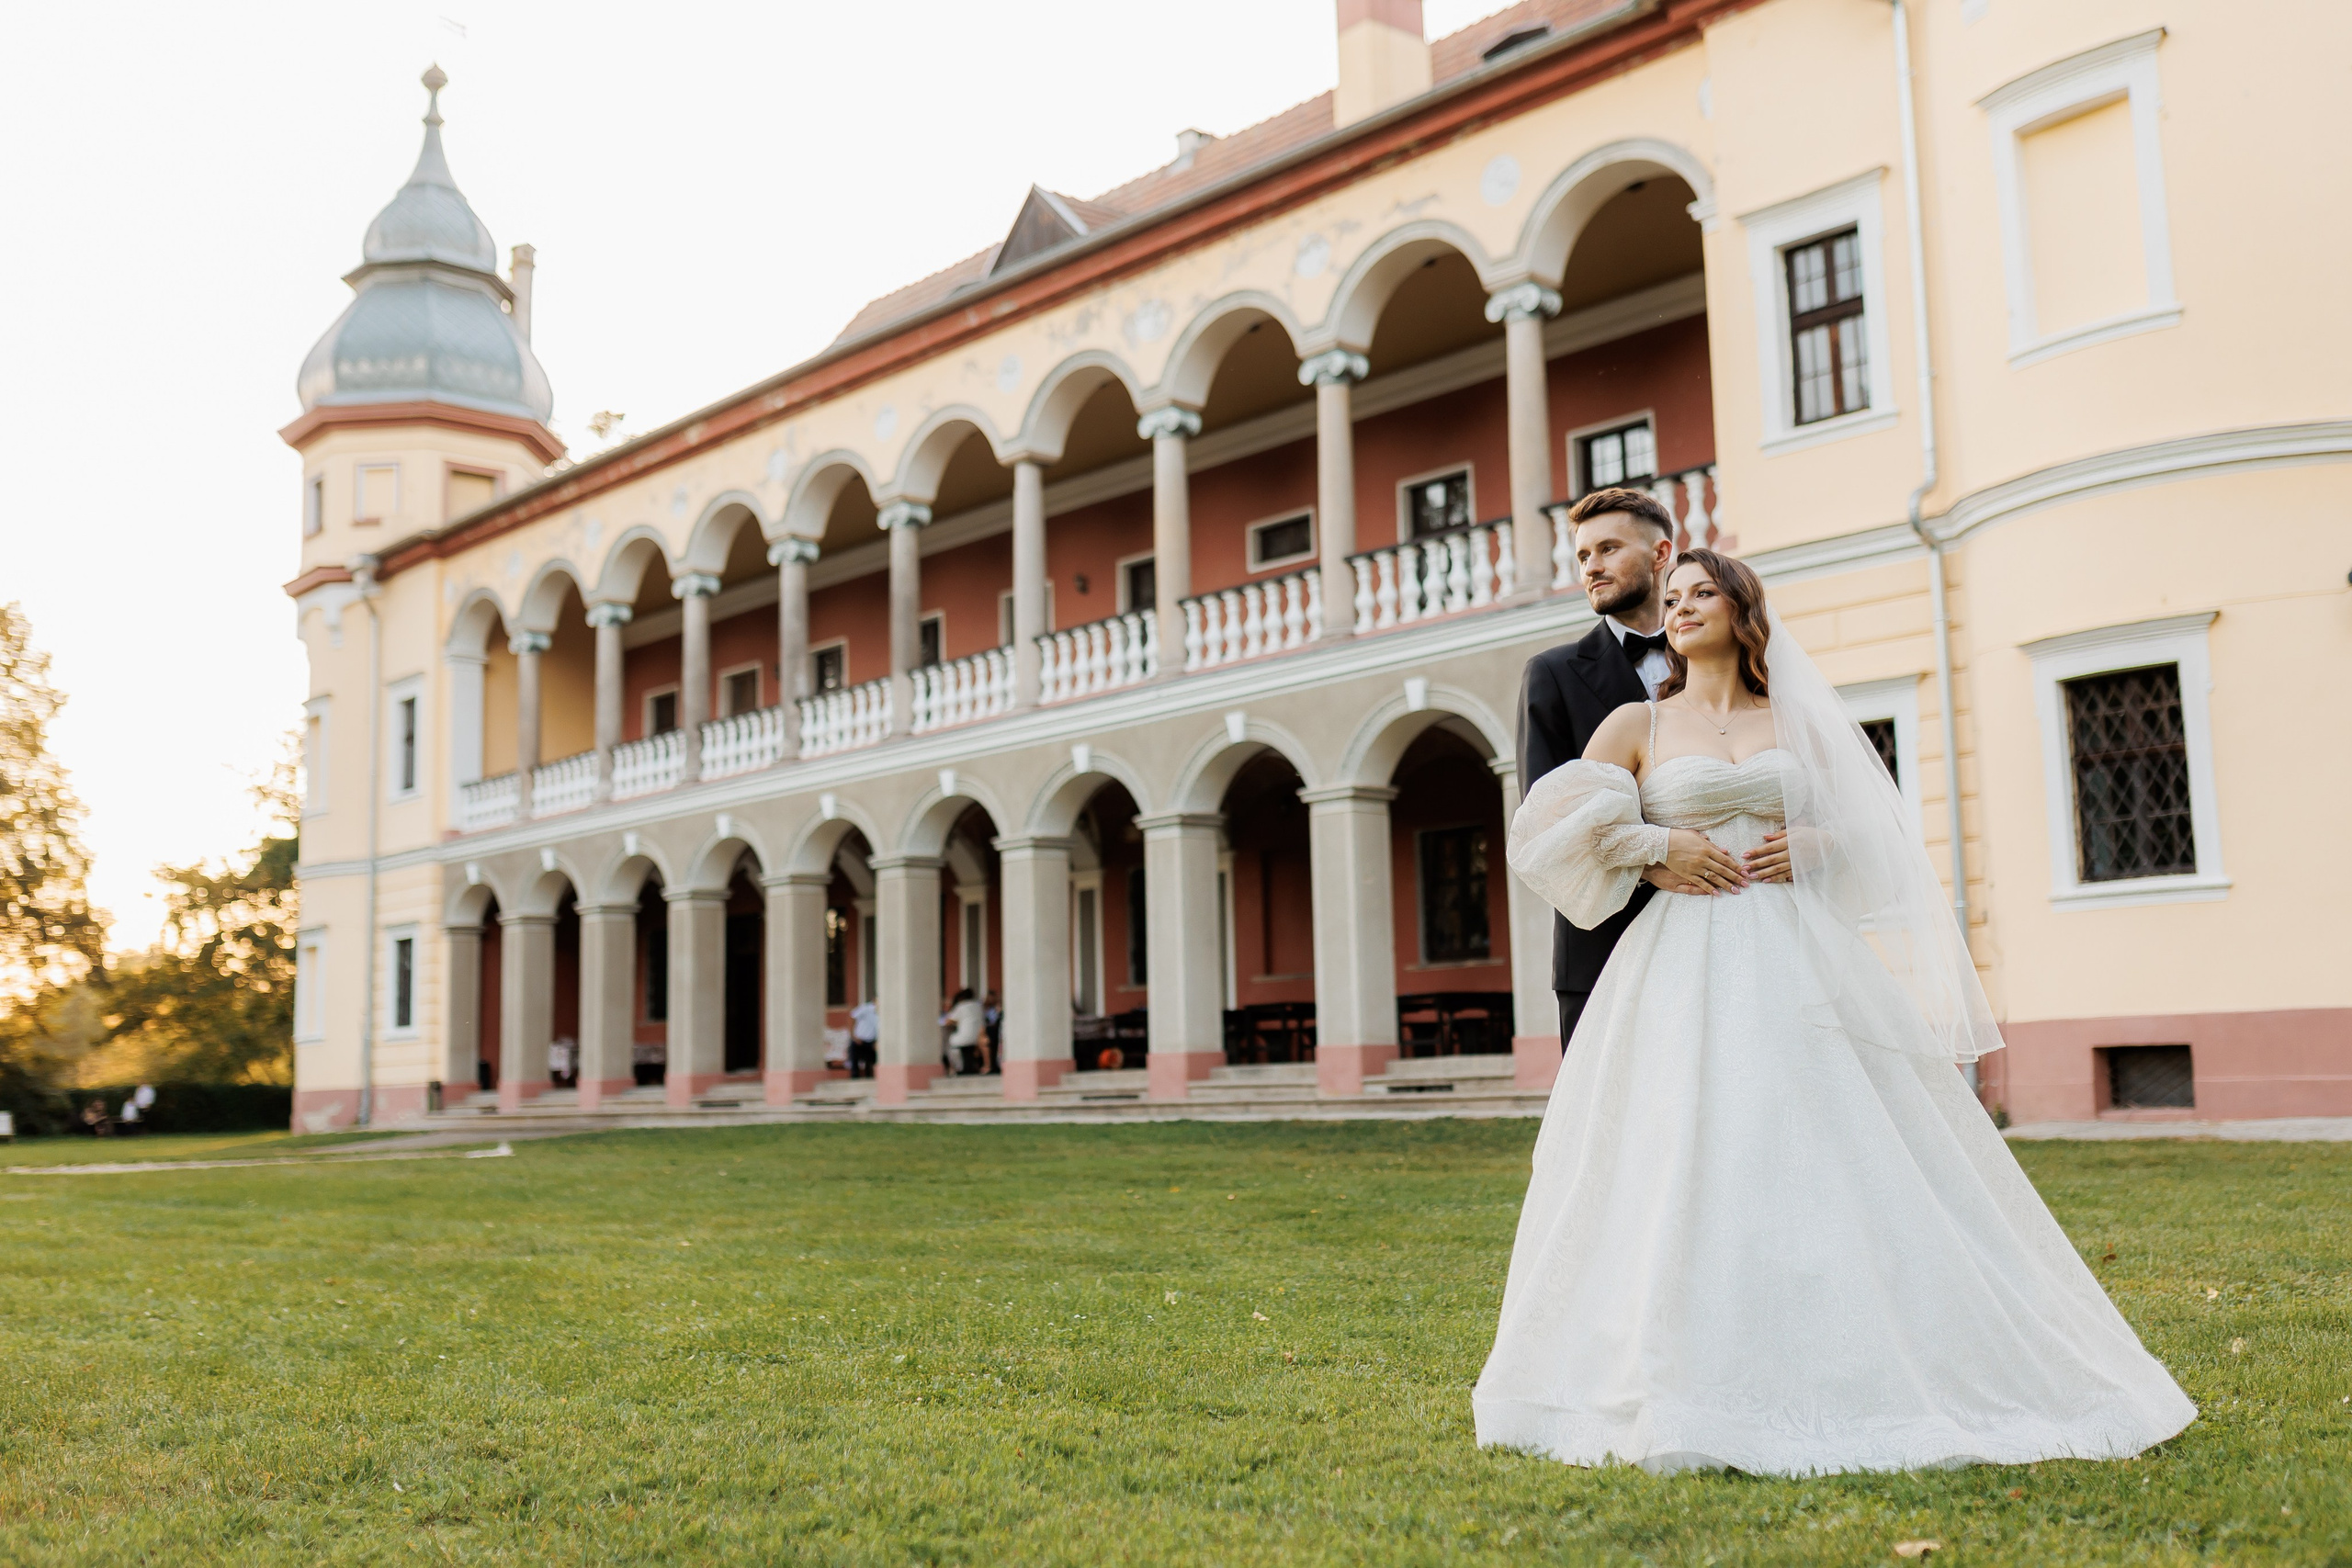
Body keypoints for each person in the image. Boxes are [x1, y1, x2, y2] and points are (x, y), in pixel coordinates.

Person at [1474, 548, 2195, 1475]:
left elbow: (1879, 835)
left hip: (1802, 957)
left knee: (1828, 1139)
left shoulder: (1798, 721)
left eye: (1704, 594)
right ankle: (1671, 1364)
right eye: (1676, 597)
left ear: (1741, 612)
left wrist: (1819, 838)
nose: (1684, 607)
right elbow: (1547, 834)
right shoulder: (1636, 721)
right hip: (1680, 961)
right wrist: (1654, 848)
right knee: (1684, 1145)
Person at [1514, 488, 1704, 1051]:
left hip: (1725, 930)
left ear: (1660, 553)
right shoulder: (1551, 675)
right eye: (1582, 556)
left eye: (1608, 549)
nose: (1592, 567)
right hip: (1604, 944)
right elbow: (1550, 820)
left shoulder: (1721, 661)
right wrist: (1657, 857)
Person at [941, 987, 984, 1076]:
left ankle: (959, 1068)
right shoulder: (978, 1005)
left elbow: (949, 1021)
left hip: (964, 1036)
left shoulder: (961, 1006)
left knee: (950, 1044)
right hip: (978, 1035)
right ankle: (971, 1067)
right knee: (969, 1052)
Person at [847, 998, 879, 1079]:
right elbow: (852, 1016)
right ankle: (855, 1077)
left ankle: (870, 1076)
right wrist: (853, 1035)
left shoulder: (880, 1012)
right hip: (859, 1039)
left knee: (871, 1060)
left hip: (872, 1040)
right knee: (854, 1058)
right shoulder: (865, 1008)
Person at [981, 989, 1003, 1076]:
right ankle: (990, 1065)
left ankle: (992, 1066)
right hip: (990, 1030)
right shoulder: (986, 1009)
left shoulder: (997, 1009)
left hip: (995, 1030)